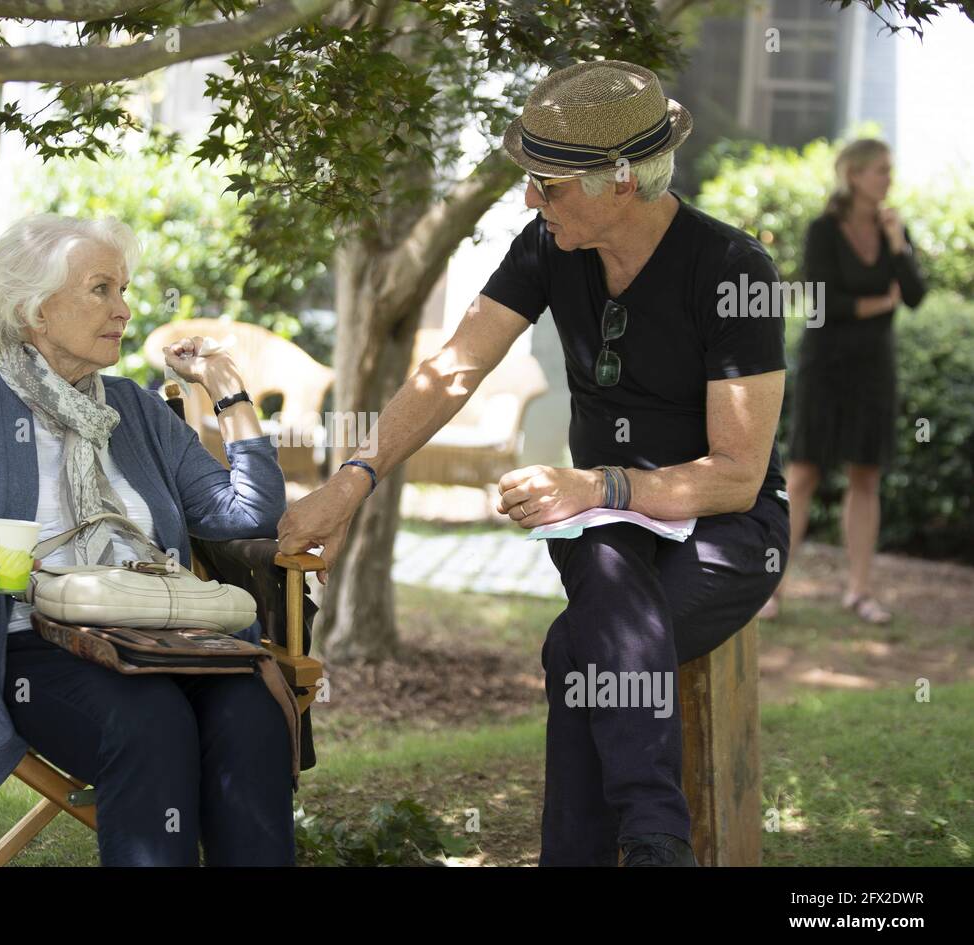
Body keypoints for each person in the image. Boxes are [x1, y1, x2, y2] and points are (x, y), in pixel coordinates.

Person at [278, 60, 790, 866]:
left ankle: (628, 844)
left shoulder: (733, 270)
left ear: (620, 182)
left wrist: (598, 484)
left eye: (547, 185)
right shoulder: (549, 246)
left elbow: (737, 474)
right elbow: (453, 370)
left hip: (727, 530)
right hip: (607, 529)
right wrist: (353, 481)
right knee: (600, 574)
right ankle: (656, 841)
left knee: (576, 646)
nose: (529, 200)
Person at [0, 213, 295, 866]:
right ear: (35, 311)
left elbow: (249, 515)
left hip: (161, 633)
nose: (125, 310)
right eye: (101, 289)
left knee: (250, 714)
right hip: (32, 643)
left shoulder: (132, 408)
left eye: (124, 289)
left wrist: (228, 393)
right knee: (150, 721)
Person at [759, 138, 926, 625]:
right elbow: (822, 302)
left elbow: (913, 294)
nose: (887, 179)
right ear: (853, 175)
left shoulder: (895, 228)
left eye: (889, 171)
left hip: (875, 369)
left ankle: (860, 590)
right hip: (826, 366)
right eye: (879, 171)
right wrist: (879, 303)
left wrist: (898, 247)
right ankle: (771, 588)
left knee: (866, 474)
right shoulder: (823, 231)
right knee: (805, 473)